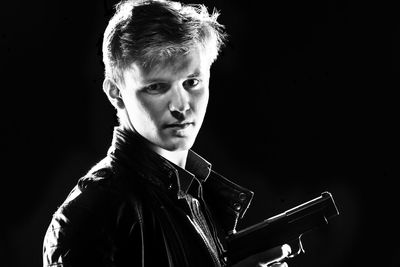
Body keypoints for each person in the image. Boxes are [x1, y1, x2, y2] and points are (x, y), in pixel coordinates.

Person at [42, 0, 291, 266]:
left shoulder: (194, 195)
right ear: (115, 92)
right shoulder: (92, 215)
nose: (181, 106)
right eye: (157, 87)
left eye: (192, 82)